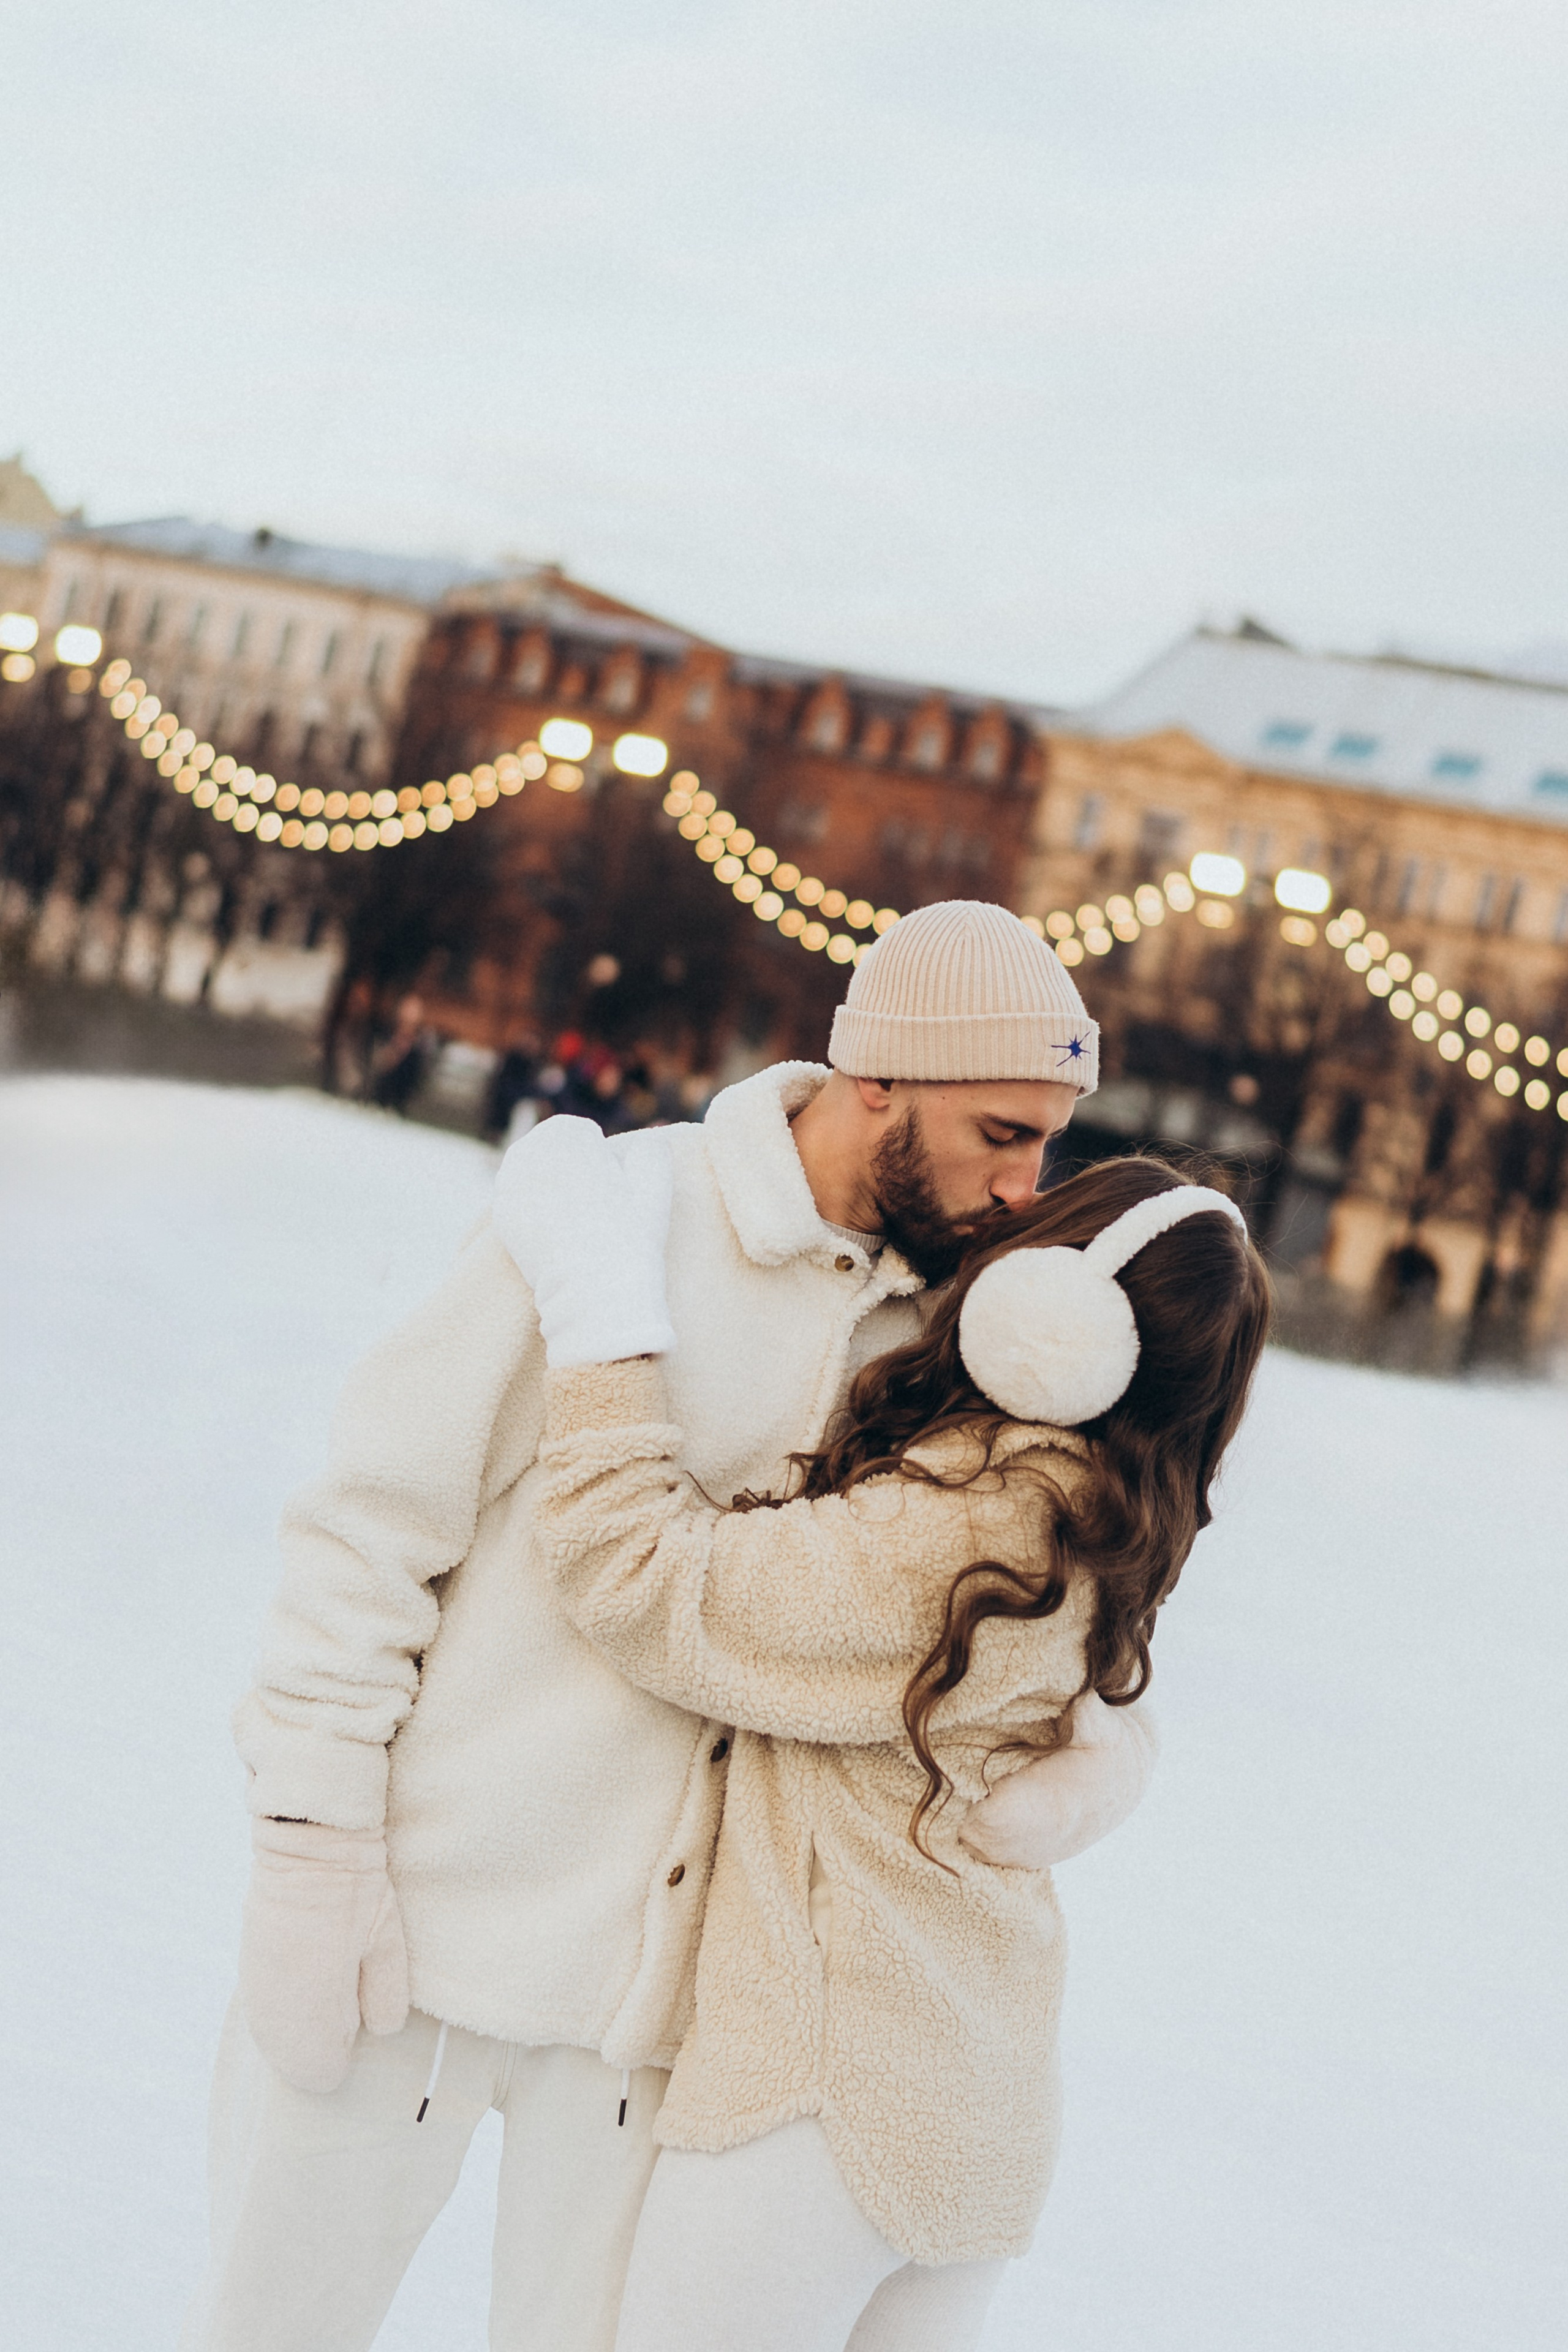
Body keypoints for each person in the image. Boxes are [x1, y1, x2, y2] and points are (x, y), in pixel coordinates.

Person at [184, 900, 1156, 2352]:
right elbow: (372, 1525)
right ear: (875, 1083)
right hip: (408, 1937)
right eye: (998, 1134)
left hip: (664, 2023)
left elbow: (1023, 1580)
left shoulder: (966, 1330)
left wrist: (1103, 1749)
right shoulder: (614, 1219)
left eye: (1045, 1144)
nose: (1026, 1188)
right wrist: (313, 1850)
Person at [510, 1126, 1269, 2352]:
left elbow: (643, 1577)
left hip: (827, 2105)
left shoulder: (968, 1531)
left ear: (1054, 1319)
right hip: (974, 2103)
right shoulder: (1096, 1530)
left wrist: (603, 1316)